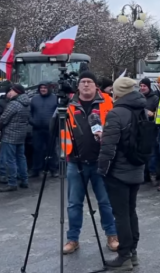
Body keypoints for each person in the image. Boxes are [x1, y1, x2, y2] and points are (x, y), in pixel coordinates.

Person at [59, 71, 119, 254]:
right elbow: (54, 127)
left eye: (89, 82)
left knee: (105, 202)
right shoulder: (67, 104)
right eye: (83, 82)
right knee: (74, 203)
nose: (86, 85)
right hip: (74, 161)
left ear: (96, 86)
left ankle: (112, 235)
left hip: (100, 161)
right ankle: (72, 239)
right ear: (78, 86)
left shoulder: (108, 101)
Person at [98, 77, 152, 270]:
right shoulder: (143, 111)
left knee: (120, 215)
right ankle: (133, 253)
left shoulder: (116, 113)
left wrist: (102, 170)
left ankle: (124, 256)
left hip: (118, 172)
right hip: (136, 168)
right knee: (130, 212)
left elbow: (108, 147)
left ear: (118, 92)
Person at [0, 84, 31, 192]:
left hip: (10, 135)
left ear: (16, 92)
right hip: (21, 135)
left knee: (10, 160)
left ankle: (12, 182)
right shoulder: (26, 103)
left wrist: (0, 127)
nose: (9, 93)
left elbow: (3, 119)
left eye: (11, 91)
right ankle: (24, 180)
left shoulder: (14, 104)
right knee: (21, 157)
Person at [30, 81, 58, 178]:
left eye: (45, 88)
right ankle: (36, 170)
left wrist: (55, 125)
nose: (43, 89)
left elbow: (59, 113)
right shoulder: (34, 99)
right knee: (37, 150)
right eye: (41, 88)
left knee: (51, 150)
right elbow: (29, 112)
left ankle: (53, 170)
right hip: (37, 129)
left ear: (49, 89)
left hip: (51, 129)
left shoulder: (55, 99)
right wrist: (32, 121)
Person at [140, 78, 160, 185]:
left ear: (148, 87)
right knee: (141, 152)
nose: (142, 88)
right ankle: (143, 175)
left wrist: (152, 114)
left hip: (151, 128)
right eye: (141, 86)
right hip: (140, 128)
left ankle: (153, 174)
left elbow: (159, 112)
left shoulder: (155, 98)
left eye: (144, 86)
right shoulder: (138, 97)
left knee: (152, 153)